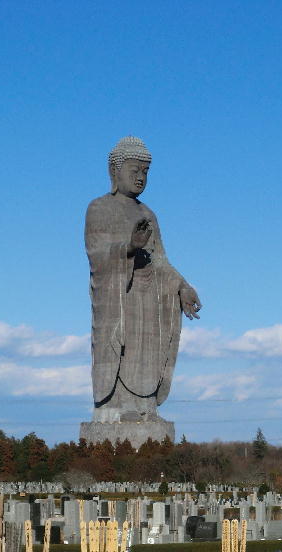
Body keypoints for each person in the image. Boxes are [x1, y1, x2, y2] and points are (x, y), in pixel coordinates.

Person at [85, 136, 201, 425]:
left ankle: (144, 404)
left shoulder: (148, 214)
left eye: (145, 172)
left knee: (147, 349)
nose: (140, 177)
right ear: (114, 172)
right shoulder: (99, 208)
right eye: (134, 170)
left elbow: (160, 260)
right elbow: (96, 254)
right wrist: (129, 246)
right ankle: (118, 404)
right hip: (120, 297)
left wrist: (183, 286)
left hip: (151, 299)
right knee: (123, 346)